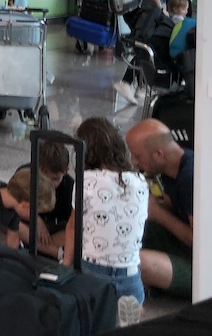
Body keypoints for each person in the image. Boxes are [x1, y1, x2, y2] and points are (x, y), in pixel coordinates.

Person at [64, 118, 148, 309]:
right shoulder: (140, 180)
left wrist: (66, 264)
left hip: (92, 272)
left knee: (92, 323)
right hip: (130, 275)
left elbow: (73, 226)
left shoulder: (86, 181)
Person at [126, 119, 194, 299]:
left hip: (202, 265)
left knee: (134, 261)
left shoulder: (190, 178)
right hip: (179, 244)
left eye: (137, 156)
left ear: (158, 154)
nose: (134, 161)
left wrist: (157, 213)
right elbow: (173, 209)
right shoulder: (169, 169)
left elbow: (200, 241)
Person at [15, 141, 74, 258]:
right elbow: (13, 205)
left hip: (53, 228)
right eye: (44, 177)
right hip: (27, 224)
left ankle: (34, 246)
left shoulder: (70, 186)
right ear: (37, 168)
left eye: (55, 179)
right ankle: (55, 252)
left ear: (65, 171)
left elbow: (71, 224)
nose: (49, 183)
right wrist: (36, 220)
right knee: (12, 224)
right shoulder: (25, 174)